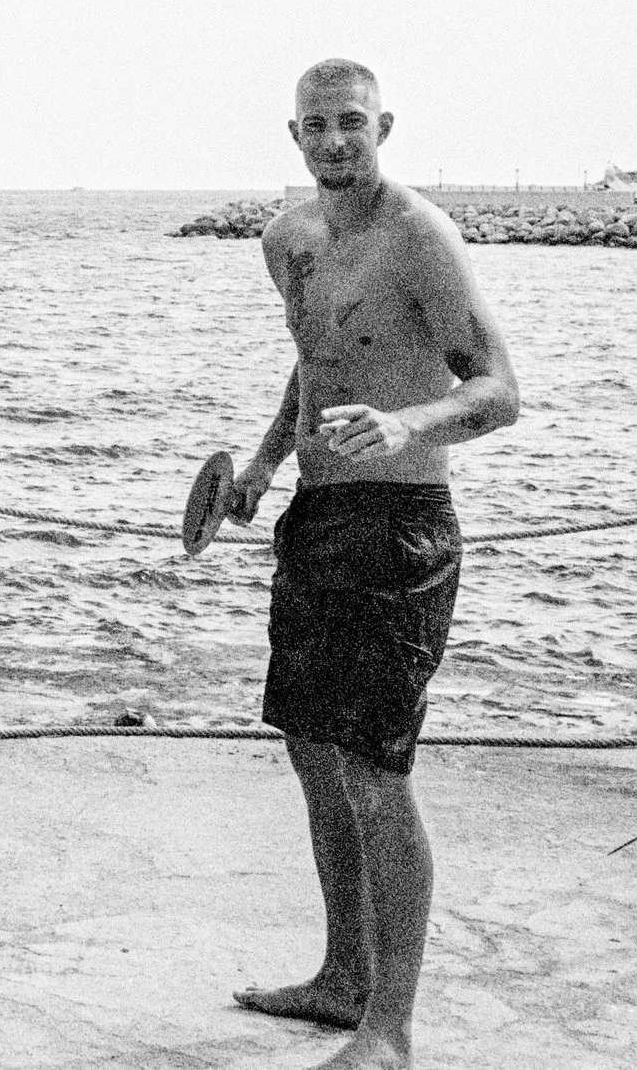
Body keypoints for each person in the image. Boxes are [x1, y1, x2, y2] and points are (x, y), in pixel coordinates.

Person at [223, 59, 521, 1070]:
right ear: (292, 134)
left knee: (375, 770)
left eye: (352, 122)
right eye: (317, 125)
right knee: (312, 749)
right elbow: (315, 356)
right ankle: (341, 975)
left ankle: (389, 1029)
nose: (336, 139)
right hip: (316, 517)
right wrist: (264, 460)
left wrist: (405, 421)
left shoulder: (418, 236)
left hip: (400, 524)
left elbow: (497, 388)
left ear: (382, 123)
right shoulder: (287, 239)